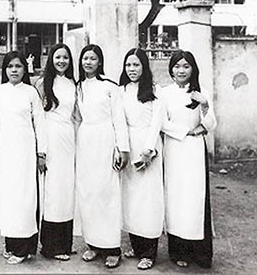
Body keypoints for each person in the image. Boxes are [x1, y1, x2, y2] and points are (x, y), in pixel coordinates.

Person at [160, 50, 217, 269]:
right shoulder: (165, 93)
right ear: (171, 69)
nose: (181, 70)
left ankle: (201, 253)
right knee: (176, 198)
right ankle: (178, 251)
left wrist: (204, 105)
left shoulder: (200, 92)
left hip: (194, 151)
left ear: (193, 69)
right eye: (177, 66)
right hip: (174, 148)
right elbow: (163, 123)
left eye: (186, 66)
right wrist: (186, 132)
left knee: (195, 198)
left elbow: (211, 123)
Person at [76, 44, 129, 268]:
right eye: (85, 58)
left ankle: (112, 247)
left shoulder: (110, 86)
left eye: (93, 58)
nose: (88, 62)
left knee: (107, 193)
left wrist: (122, 148)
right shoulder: (78, 86)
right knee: (88, 193)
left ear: (100, 62)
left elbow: (119, 119)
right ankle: (93, 244)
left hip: (106, 140)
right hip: (85, 141)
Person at [0, 51, 46, 264]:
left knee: (25, 198)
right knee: (9, 198)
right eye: (10, 66)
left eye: (18, 66)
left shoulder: (31, 92)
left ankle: (24, 248)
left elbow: (40, 123)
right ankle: (11, 245)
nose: (14, 70)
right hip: (5, 151)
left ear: (25, 69)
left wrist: (41, 152)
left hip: (25, 152)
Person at [118, 48, 164, 271]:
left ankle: (149, 252)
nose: (132, 69)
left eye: (136, 64)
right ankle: (136, 247)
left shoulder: (155, 91)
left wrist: (148, 149)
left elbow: (157, 122)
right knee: (131, 199)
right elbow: (118, 122)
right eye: (128, 65)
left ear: (144, 67)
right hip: (128, 145)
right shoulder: (121, 91)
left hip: (148, 146)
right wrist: (121, 148)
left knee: (148, 199)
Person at [34, 44, 77, 261]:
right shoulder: (42, 83)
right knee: (52, 191)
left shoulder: (73, 84)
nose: (61, 61)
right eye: (58, 57)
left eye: (65, 57)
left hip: (68, 137)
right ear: (51, 59)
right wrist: (41, 151)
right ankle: (50, 246)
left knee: (67, 191)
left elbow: (76, 115)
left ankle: (65, 244)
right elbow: (38, 117)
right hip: (50, 136)